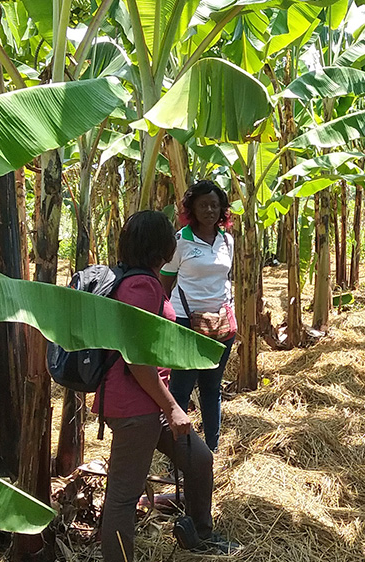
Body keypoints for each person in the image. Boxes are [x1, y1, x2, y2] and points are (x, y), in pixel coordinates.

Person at [97, 210, 239, 560]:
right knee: (123, 497)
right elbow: (136, 357)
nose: (176, 241)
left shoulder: (141, 279)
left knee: (199, 459)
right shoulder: (140, 287)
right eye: (170, 238)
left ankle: (201, 533)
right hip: (136, 405)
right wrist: (173, 406)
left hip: (148, 403)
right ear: (158, 243)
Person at [160, 180, 235, 453]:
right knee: (181, 388)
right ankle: (179, 452)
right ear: (191, 208)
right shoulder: (180, 241)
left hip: (221, 323)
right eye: (203, 205)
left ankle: (211, 449)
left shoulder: (227, 240)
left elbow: (226, 279)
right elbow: (165, 283)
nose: (210, 210)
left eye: (215, 205)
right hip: (186, 322)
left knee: (211, 388)